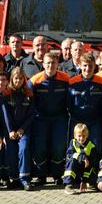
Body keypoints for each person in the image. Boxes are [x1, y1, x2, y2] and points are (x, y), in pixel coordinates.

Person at [29, 52, 70, 186]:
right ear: (43, 64)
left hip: (59, 118)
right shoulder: (35, 80)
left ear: (57, 64)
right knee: (40, 147)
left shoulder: (65, 79)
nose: (50, 66)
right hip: (40, 118)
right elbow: (28, 100)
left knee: (58, 147)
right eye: (47, 63)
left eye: (53, 63)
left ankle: (57, 174)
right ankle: (41, 176)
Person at [67, 53, 102, 153]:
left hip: (95, 121)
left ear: (95, 66)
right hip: (77, 120)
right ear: (80, 65)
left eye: (90, 66)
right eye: (85, 65)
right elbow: (68, 103)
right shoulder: (72, 82)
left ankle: (93, 168)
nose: (87, 68)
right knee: (75, 147)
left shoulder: (101, 82)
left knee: (96, 147)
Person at [2, 67, 35, 190]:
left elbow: (31, 114)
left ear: (24, 79)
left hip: (24, 129)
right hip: (10, 129)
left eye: (21, 78)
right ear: (12, 79)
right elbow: (6, 114)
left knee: (24, 149)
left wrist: (22, 129)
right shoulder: (7, 93)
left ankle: (24, 179)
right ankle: (14, 178)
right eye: (16, 78)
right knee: (11, 152)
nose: (18, 81)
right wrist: (10, 130)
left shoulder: (29, 94)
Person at [63, 123, 98, 195]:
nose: (81, 138)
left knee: (96, 180)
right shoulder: (72, 143)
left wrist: (84, 181)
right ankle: (68, 185)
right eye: (79, 136)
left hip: (87, 171)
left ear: (87, 136)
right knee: (71, 161)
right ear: (75, 136)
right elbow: (69, 155)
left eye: (84, 136)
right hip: (75, 170)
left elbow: (91, 165)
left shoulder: (91, 146)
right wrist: (82, 157)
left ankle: (89, 183)